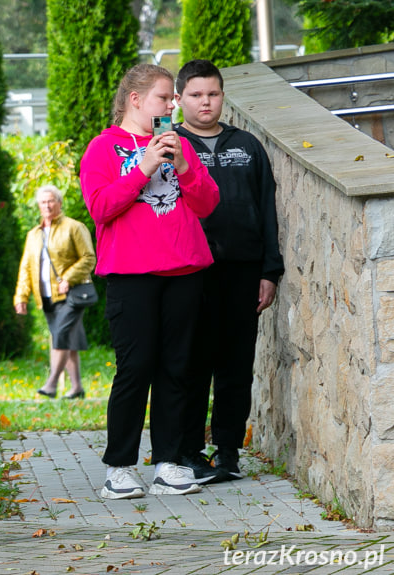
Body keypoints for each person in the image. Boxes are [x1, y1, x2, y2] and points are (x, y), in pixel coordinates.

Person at [79, 63, 220, 499]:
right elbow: (100, 208)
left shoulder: (178, 145)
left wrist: (183, 164)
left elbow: (207, 203)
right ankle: (118, 468)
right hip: (131, 275)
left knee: (177, 368)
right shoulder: (103, 149)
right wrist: (140, 168)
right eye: (164, 98)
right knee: (135, 370)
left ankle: (168, 462)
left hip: (183, 271)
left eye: (172, 98)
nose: (172, 105)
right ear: (136, 100)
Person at [174, 59, 284, 481]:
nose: (206, 102)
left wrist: (269, 272)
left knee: (236, 366)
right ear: (180, 99)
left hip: (243, 272)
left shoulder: (248, 146)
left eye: (213, 94)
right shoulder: (169, 143)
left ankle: (228, 451)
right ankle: (188, 451)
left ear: (223, 96)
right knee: (192, 364)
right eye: (197, 95)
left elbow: (268, 212)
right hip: (191, 273)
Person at [14, 185, 97, 400]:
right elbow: (25, 268)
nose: (47, 205)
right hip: (46, 296)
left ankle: (51, 384)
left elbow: (89, 257)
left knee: (60, 336)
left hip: (71, 294)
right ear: (38, 206)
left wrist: (68, 278)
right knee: (65, 339)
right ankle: (77, 387)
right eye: (43, 202)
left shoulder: (74, 227)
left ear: (59, 203)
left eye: (51, 200)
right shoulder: (34, 234)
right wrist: (21, 297)